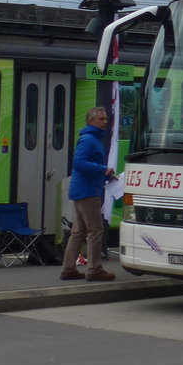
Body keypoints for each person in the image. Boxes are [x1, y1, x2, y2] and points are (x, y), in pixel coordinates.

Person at [60, 107, 117, 282]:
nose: (105, 122)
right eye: (101, 119)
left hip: (82, 190)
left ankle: (68, 269)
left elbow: (84, 165)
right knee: (95, 230)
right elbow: (78, 163)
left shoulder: (91, 139)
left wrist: (105, 174)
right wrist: (103, 169)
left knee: (78, 232)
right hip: (88, 192)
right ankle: (95, 269)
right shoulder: (89, 140)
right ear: (91, 121)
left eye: (106, 118)